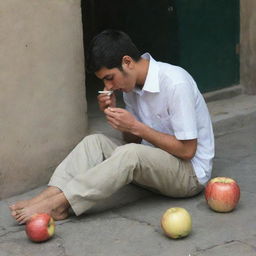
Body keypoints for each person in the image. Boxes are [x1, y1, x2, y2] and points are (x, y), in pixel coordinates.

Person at [10, 29, 214, 224]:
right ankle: (47, 197)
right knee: (95, 142)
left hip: (189, 176)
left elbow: (188, 150)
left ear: (127, 62)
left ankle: (60, 204)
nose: (108, 87)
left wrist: (136, 127)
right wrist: (120, 120)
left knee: (131, 154)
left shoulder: (175, 83)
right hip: (154, 166)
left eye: (109, 78)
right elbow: (132, 140)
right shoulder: (130, 88)